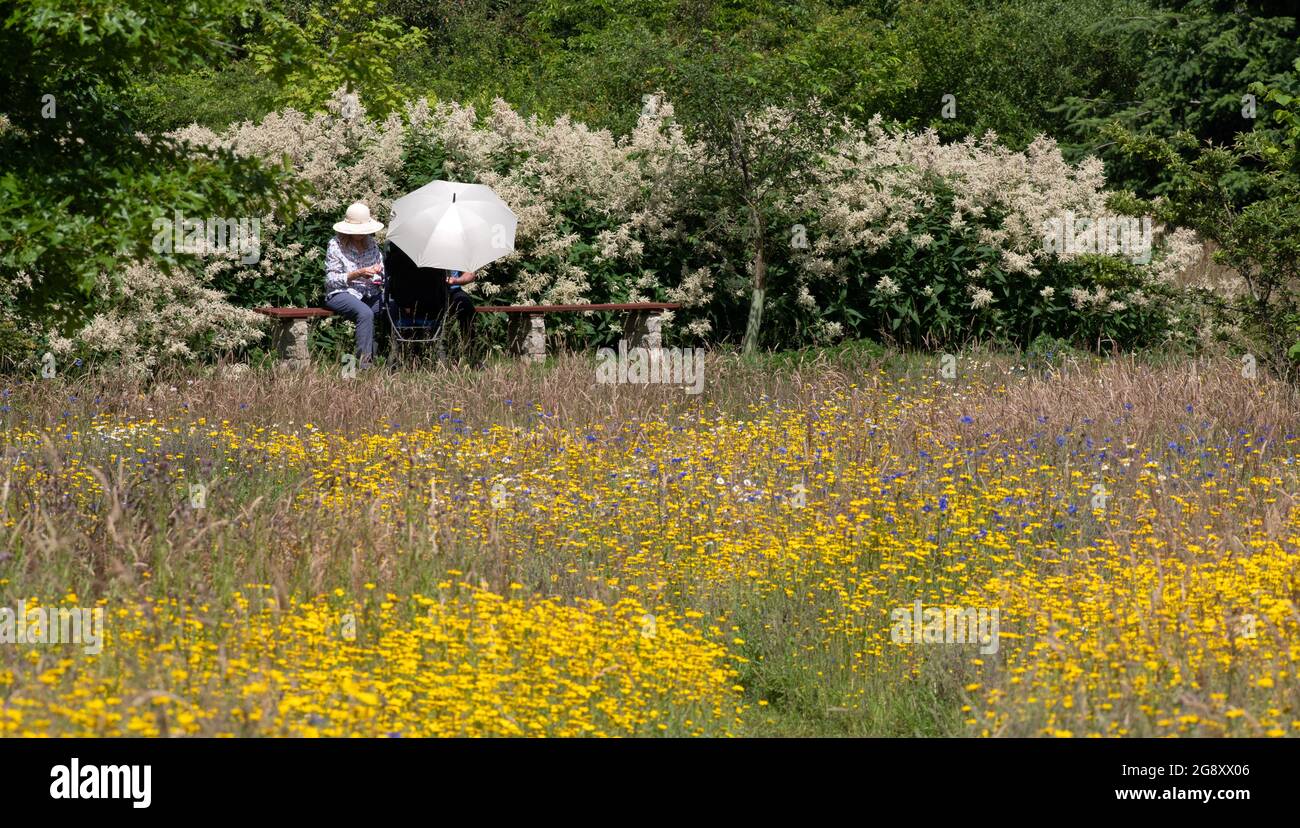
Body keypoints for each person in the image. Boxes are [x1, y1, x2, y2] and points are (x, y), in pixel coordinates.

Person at [323, 202, 386, 367]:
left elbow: (381, 269)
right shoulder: (335, 245)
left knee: (395, 306)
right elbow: (330, 280)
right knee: (365, 314)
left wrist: (378, 271)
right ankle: (365, 365)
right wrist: (356, 274)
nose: (361, 234)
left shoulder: (371, 243)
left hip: (370, 292)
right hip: (341, 293)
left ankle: (395, 359)